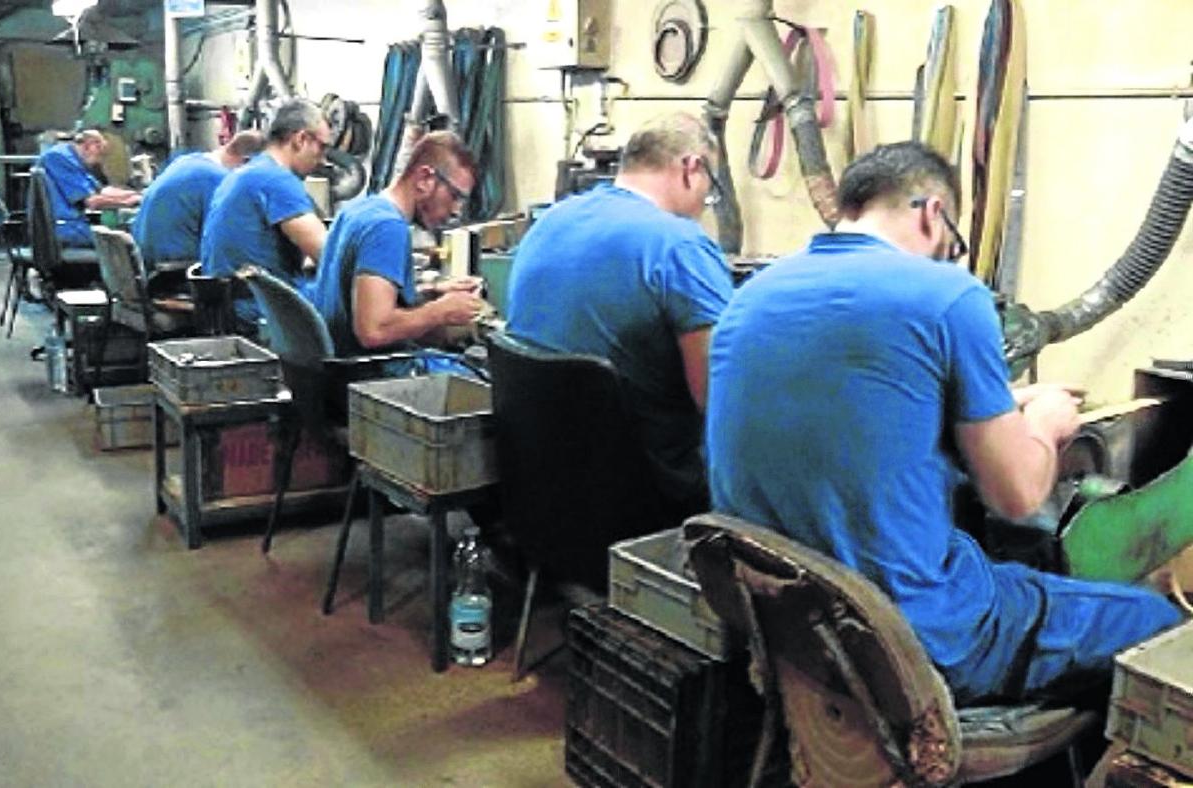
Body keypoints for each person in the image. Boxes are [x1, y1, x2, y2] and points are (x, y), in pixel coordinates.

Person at [705, 140, 1183, 705]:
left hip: (788, 630)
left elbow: (859, 411)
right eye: (951, 245)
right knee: (1156, 622)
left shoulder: (752, 297)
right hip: (911, 640)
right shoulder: (949, 296)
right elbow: (1017, 496)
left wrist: (1000, 405)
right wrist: (1046, 422)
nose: (948, 258)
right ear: (933, 213)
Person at [505, 112, 734, 526]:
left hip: (540, 486)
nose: (705, 202)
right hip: (647, 496)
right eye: (711, 189)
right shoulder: (680, 246)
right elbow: (717, 399)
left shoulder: (551, 220)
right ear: (691, 167)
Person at [306, 130, 484, 356]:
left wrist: (431, 291)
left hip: (333, 362)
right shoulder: (387, 227)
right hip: (372, 372)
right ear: (424, 179)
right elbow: (373, 331)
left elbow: (355, 295)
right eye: (455, 196)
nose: (456, 211)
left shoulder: (358, 210)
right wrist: (440, 311)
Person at [200, 98, 330, 330]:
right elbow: (330, 255)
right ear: (300, 139)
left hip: (230, 307)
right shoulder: (277, 180)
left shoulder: (248, 171)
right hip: (258, 311)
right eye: (322, 147)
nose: (323, 159)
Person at [131, 129, 265, 268]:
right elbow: (229, 240)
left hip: (149, 262)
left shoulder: (187, 161)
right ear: (246, 161)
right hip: (176, 270)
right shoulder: (217, 179)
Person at [35, 129, 142, 248]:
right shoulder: (58, 157)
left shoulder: (74, 159)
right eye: (100, 153)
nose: (100, 160)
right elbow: (92, 201)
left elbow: (101, 191)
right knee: (129, 240)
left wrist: (139, 195)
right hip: (66, 228)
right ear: (89, 145)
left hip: (74, 225)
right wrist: (130, 202)